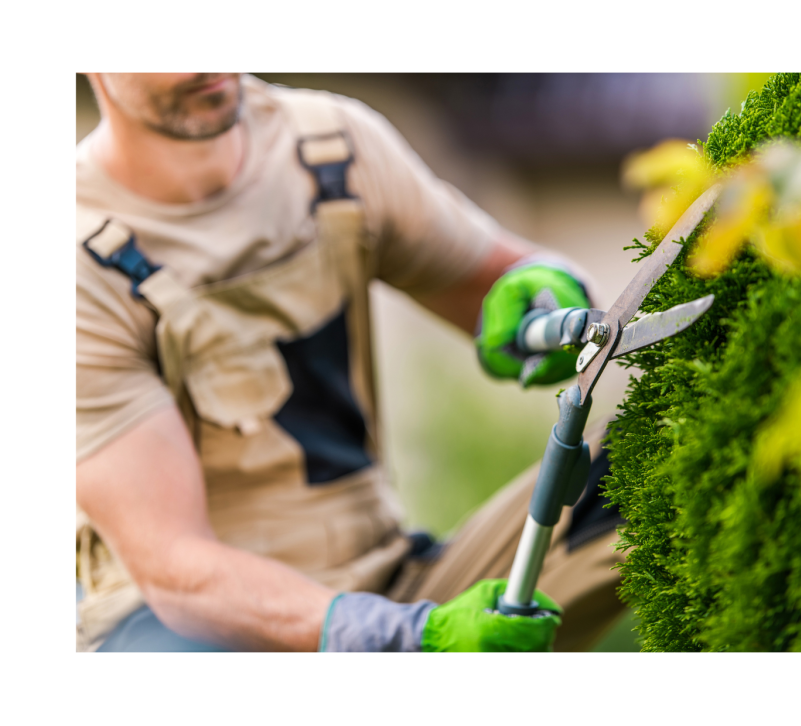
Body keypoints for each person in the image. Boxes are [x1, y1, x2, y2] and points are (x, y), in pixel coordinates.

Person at [76, 73, 626, 652]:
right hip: (186, 638)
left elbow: (501, 288)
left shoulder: (330, 145)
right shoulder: (73, 258)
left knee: (654, 459)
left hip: (394, 585)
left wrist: (549, 298)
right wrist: (414, 639)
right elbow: (178, 574)